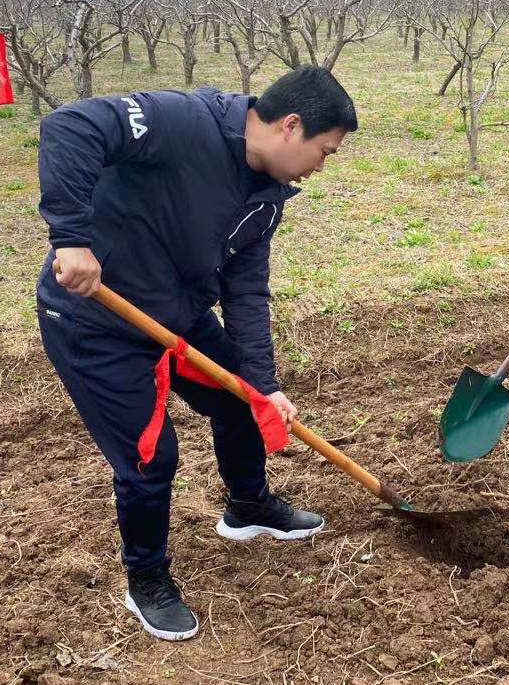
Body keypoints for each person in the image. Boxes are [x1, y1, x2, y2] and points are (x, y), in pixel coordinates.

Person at [36, 67, 356, 641]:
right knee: (151, 456)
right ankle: (147, 580)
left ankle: (248, 507)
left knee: (241, 398)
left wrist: (263, 382)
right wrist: (72, 239)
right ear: (291, 126)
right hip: (97, 322)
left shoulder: (266, 197)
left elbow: (246, 292)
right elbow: (71, 126)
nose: (321, 166)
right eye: (325, 151)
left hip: (175, 317)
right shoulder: (182, 122)